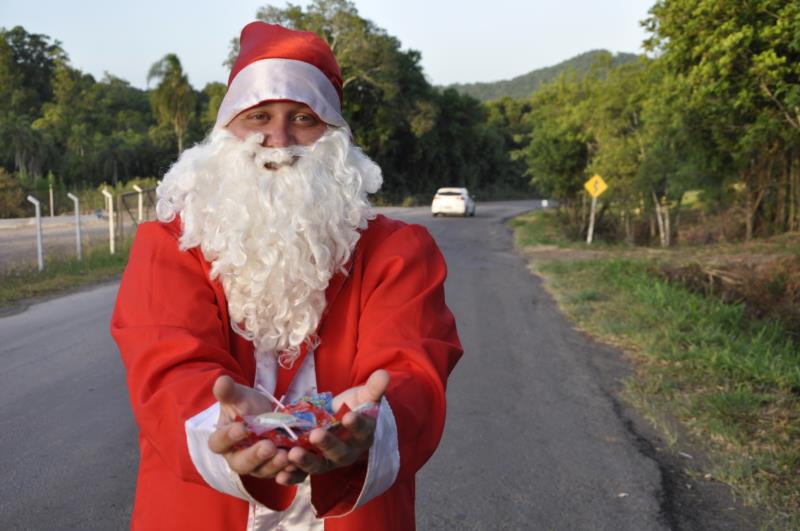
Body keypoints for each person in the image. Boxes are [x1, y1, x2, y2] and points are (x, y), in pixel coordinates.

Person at [111, 21, 462, 531]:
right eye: (258, 116)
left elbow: (412, 367)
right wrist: (226, 427)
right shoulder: (168, 248)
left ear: (335, 139)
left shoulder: (397, 251)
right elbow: (167, 367)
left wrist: (367, 426)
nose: (278, 141)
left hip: (350, 512)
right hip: (202, 511)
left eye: (303, 117)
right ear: (226, 132)